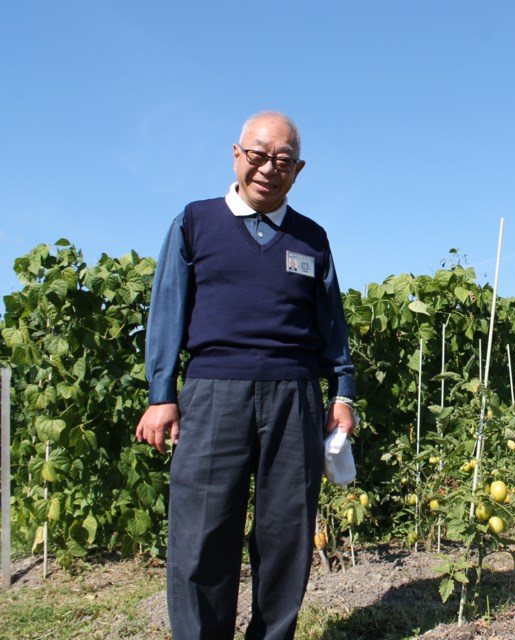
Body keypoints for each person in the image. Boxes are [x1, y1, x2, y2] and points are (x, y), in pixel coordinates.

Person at [136, 110, 356, 639]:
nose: (268, 169)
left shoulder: (311, 239)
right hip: (214, 392)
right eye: (258, 156)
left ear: (298, 170)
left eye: (282, 160)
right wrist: (162, 392)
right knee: (202, 533)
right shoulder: (195, 221)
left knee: (287, 534)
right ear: (237, 156)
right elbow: (168, 309)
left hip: (296, 395)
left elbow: (331, 325)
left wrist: (343, 391)